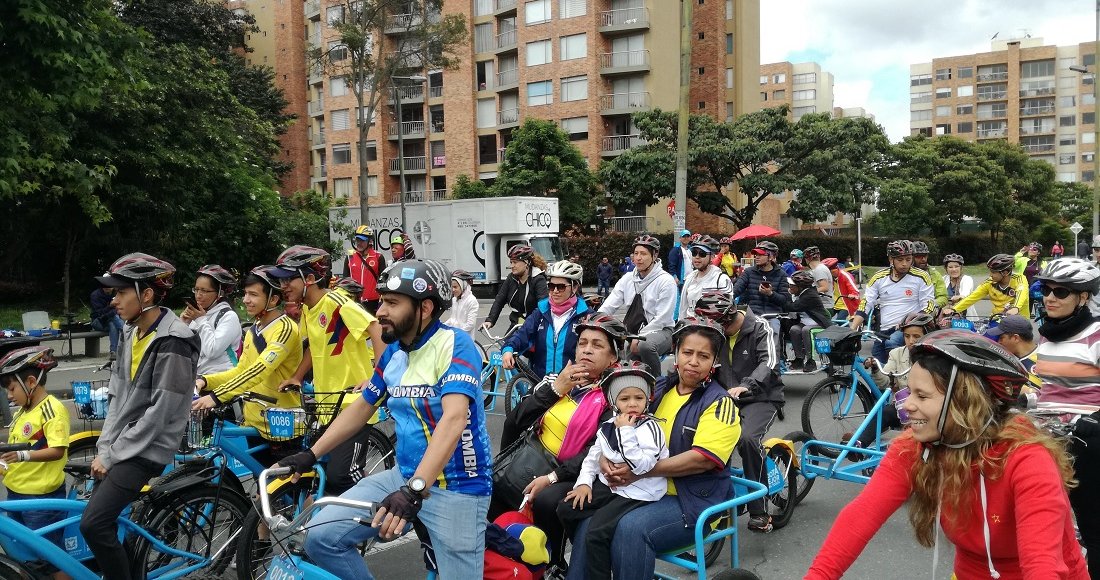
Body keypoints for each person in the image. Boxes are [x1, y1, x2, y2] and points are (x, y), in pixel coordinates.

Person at [806, 330, 1087, 579]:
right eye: (909, 393)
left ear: (965, 402)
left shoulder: (1027, 458)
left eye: (922, 396)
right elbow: (860, 517)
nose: (907, 406)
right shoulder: (915, 447)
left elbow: (1042, 564)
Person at [278, 259, 493, 579]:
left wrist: (415, 490)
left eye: (392, 303)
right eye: (381, 301)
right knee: (321, 537)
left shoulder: (454, 344)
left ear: (425, 308)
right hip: (402, 477)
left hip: (457, 488)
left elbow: (454, 419)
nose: (380, 311)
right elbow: (362, 408)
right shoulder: (394, 352)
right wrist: (311, 454)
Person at [566, 317, 741, 580]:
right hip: (640, 491)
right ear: (676, 353)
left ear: (714, 361)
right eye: (687, 353)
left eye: (703, 356)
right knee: (587, 520)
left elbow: (702, 460)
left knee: (631, 529)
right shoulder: (656, 389)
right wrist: (604, 459)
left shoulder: (720, 403)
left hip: (690, 500)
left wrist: (639, 472)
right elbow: (616, 427)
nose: (693, 361)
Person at [84, 253, 199, 580]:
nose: (114, 300)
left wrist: (113, 455)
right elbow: (117, 396)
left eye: (121, 292)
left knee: (93, 524)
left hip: (149, 448)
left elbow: (160, 412)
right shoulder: (131, 332)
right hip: (124, 445)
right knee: (95, 516)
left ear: (146, 294)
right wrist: (105, 449)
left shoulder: (175, 340)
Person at [492, 313, 626, 571]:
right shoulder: (556, 379)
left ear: (612, 358)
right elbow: (515, 422)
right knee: (493, 490)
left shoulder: (616, 394)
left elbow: (596, 450)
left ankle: (552, 564)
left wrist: (552, 476)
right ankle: (504, 563)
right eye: (582, 343)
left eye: (597, 345)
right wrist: (555, 390)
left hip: (576, 472)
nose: (586, 350)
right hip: (533, 458)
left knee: (545, 499)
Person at [268, 245, 385, 495]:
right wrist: (298, 377)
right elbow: (316, 346)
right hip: (327, 404)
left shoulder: (336, 302)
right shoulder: (309, 308)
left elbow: (375, 327)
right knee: (318, 471)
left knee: (341, 477)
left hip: (354, 403)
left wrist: (377, 376)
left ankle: (379, 509)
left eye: (289, 279)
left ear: (309, 279)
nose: (283, 286)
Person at [557, 363, 667, 580]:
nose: (632, 404)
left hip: (639, 491)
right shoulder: (608, 425)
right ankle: (596, 545)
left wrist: (625, 431)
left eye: (639, 397)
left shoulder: (651, 428)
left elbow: (641, 465)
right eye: (625, 399)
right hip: (612, 486)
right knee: (566, 508)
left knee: (596, 533)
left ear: (648, 399)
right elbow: (592, 457)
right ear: (613, 401)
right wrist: (584, 483)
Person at [191, 266, 303, 465]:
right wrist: (205, 381)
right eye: (245, 294)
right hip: (254, 421)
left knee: (286, 488)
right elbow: (241, 371)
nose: (246, 300)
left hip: (281, 423)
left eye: (253, 294)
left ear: (273, 299)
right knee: (262, 485)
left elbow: (259, 369)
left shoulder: (285, 328)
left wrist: (216, 397)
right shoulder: (254, 330)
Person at [693, 290, 783, 533]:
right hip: (725, 398)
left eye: (718, 326)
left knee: (747, 440)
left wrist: (747, 385)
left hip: (761, 396)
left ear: (728, 318)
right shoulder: (715, 332)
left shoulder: (760, 327)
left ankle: (759, 510)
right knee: (699, 438)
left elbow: (770, 363)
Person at [1031, 258, 1100, 575]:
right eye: (1046, 289)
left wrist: (1090, 423)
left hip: (1086, 441)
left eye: (1061, 292)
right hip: (1046, 437)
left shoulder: (1096, 336)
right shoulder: (1048, 335)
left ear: (1083, 297)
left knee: (1091, 526)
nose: (1050, 298)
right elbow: (1049, 387)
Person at [1, 346, 70, 579]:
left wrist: (23, 456)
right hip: (16, 495)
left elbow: (57, 450)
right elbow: (13, 451)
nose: (9, 396)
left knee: (52, 558)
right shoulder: (21, 412)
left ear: (31, 381)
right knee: (27, 558)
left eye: (11, 389)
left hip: (41, 500)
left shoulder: (52, 409)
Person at [598, 234, 677, 375]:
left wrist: (640, 337)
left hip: (661, 331)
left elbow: (663, 318)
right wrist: (595, 322)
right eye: (636, 253)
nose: (638, 258)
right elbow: (610, 304)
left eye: (644, 254)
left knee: (646, 346)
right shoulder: (628, 278)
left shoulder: (666, 280)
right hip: (631, 332)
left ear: (655, 255)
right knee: (623, 366)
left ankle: (657, 383)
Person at [850, 240, 936, 363]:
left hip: (908, 328)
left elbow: (928, 305)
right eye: (900, 260)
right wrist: (853, 327)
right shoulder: (879, 277)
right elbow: (866, 303)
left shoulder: (921, 276)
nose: (905, 264)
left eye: (908, 259)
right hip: (885, 329)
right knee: (876, 361)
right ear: (891, 259)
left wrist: (908, 321)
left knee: (892, 344)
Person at [502, 260, 590, 380]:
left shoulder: (586, 316)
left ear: (574, 287)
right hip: (542, 385)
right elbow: (522, 334)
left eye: (561, 287)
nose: (555, 291)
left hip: (573, 387)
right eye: (551, 286)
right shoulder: (541, 312)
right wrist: (508, 349)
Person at [181, 264, 243, 376]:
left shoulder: (229, 317)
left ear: (219, 293)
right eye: (196, 289)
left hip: (221, 379)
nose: (198, 295)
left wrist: (200, 320)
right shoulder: (198, 315)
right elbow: (182, 348)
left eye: (204, 291)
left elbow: (212, 351)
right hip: (197, 378)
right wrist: (183, 324)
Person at [941, 253, 1029, 321]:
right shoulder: (989, 282)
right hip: (997, 320)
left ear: (1005, 273)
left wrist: (1015, 308)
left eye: (993, 272)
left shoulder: (1019, 279)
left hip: (1019, 321)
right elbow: (972, 297)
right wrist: (954, 309)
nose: (990, 275)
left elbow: (1022, 293)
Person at [732, 240, 792, 338]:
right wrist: (727, 296)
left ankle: (774, 353)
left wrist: (771, 294)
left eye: (761, 254)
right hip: (752, 315)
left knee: (773, 334)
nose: (756, 257)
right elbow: (736, 289)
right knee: (742, 336)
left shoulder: (782, 275)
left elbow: (785, 300)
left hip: (772, 316)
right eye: (755, 254)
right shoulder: (748, 272)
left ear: (771, 257)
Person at [483, 244, 549, 331]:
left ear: (527, 263)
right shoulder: (511, 278)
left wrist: (531, 323)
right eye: (511, 262)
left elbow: (543, 305)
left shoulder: (538, 279)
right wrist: (490, 320)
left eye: (515, 262)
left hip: (535, 325)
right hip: (517, 325)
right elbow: (499, 300)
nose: (512, 266)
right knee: (507, 344)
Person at [779, 270, 834, 373]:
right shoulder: (799, 294)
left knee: (806, 330)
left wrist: (777, 298)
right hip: (806, 323)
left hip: (819, 324)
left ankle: (810, 360)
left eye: (792, 285)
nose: (789, 287)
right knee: (794, 329)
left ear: (800, 287)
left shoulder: (809, 295)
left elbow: (793, 307)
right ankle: (799, 358)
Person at [678, 235, 733, 320]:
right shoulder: (690, 278)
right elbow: (683, 309)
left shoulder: (721, 280)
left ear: (711, 257)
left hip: (710, 330)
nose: (697, 256)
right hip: (689, 329)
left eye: (702, 254)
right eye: (694, 253)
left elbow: (728, 312)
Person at [985, 314, 1041, 394]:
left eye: (1001, 338)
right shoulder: (1011, 358)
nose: (999, 342)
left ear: (1015, 338)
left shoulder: (1044, 361)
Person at [342, 225, 387, 313]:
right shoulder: (350, 257)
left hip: (373, 303)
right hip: (354, 302)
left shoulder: (378, 257)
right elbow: (345, 281)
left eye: (362, 240)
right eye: (358, 240)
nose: (359, 243)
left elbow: (383, 282)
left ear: (370, 241)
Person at [90, 286, 125, 361]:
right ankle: (125, 330)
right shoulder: (95, 295)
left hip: (112, 322)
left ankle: (113, 352)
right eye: (104, 285)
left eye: (109, 285)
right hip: (98, 321)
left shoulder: (117, 294)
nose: (107, 287)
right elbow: (99, 314)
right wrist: (110, 306)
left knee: (112, 324)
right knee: (113, 317)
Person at [911, 241, 948, 309]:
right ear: (910, 257)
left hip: (928, 312)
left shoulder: (934, 274)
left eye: (925, 256)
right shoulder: (904, 274)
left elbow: (943, 297)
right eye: (919, 256)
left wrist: (931, 305)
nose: (923, 259)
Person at [443, 269, 479, 337]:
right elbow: (452, 319)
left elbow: (470, 325)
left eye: (455, 287)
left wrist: (455, 333)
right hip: (453, 338)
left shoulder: (472, 300)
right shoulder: (454, 300)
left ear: (463, 286)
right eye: (452, 287)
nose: (453, 290)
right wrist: (442, 327)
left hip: (465, 340)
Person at [802, 246, 835, 315]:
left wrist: (807, 292)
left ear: (807, 259)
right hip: (819, 305)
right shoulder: (816, 269)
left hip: (824, 306)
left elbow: (825, 287)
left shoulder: (819, 270)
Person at [942, 253, 975, 318]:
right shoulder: (943, 279)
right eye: (950, 267)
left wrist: (960, 297)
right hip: (945, 316)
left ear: (961, 268)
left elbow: (965, 293)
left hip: (964, 317)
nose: (954, 269)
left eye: (956, 266)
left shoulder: (967, 279)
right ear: (946, 269)